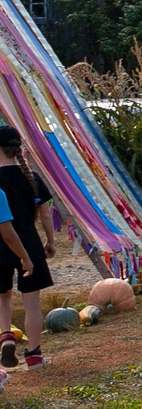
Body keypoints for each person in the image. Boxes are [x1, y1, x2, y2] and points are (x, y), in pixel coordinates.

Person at [0, 125, 53, 367]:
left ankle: (6, 335)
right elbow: (45, 215)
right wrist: (50, 242)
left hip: (0, 247)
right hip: (29, 246)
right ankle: (34, 355)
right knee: (32, 303)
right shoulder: (31, 177)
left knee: (3, 296)